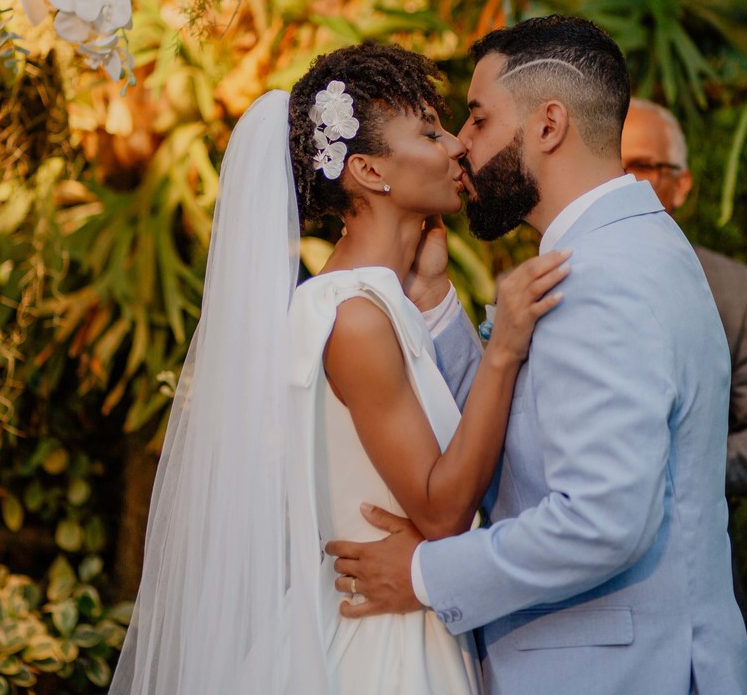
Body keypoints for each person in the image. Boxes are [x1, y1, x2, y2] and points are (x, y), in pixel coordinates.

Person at [109, 43, 568, 695]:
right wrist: (504, 351)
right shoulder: (354, 317)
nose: (457, 147)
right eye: (429, 133)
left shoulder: (371, 302)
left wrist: (430, 287)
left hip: (408, 625)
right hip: (381, 654)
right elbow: (442, 513)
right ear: (369, 170)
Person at [326, 16, 747, 695]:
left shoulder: (602, 277)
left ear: (549, 125)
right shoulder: (625, 249)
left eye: (478, 118)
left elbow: (601, 523)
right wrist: (436, 301)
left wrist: (422, 575)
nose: (461, 145)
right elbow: (524, 443)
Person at [620, 98, 747, 499]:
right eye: (610, 169)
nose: (622, 184)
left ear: (681, 185)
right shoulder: (535, 285)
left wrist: (679, 469)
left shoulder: (735, 292)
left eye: (640, 167)